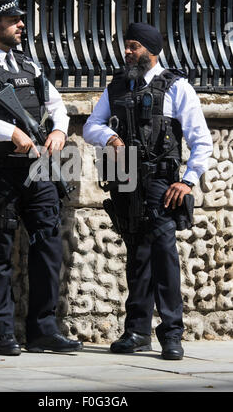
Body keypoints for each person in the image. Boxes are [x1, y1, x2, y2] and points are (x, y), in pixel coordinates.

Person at [0, 0, 83, 356]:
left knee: (48, 245)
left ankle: (43, 329)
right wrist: (9, 131)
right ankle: (3, 334)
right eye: (13, 21)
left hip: (39, 168)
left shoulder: (30, 66)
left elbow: (57, 105)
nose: (21, 25)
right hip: (1, 173)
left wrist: (59, 130)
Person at [83, 23, 213, 360]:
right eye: (126, 46)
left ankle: (172, 334)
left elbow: (201, 141)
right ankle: (137, 331)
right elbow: (91, 126)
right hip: (127, 180)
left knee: (164, 256)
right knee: (137, 256)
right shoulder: (117, 88)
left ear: (151, 51)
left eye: (134, 46)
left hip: (162, 183)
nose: (127, 52)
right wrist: (109, 138)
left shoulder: (177, 88)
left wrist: (187, 180)